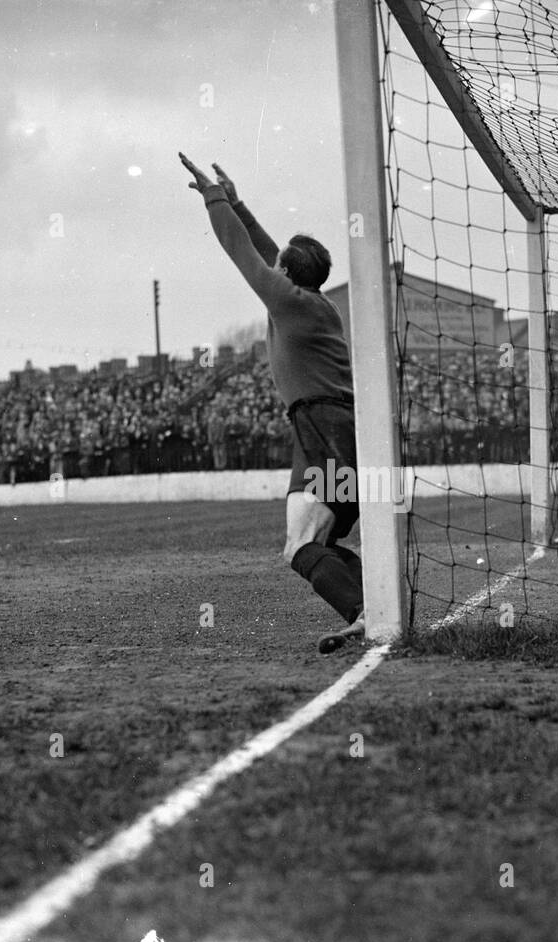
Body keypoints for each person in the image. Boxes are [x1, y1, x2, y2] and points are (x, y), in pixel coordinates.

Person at [180, 153, 364, 652]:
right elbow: (267, 255)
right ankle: (374, 601)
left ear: (286, 273)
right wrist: (238, 202)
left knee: (301, 546)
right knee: (313, 543)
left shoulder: (290, 302)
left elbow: (242, 253)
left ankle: (367, 608)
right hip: (332, 430)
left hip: (323, 429)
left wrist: (217, 201)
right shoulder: (310, 301)